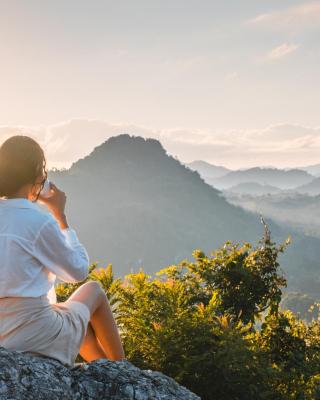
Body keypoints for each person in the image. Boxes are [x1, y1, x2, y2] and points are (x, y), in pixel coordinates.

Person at [0, 135, 125, 367]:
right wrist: (60, 217)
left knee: (69, 314)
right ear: (38, 173)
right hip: (31, 334)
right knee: (94, 291)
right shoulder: (38, 222)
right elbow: (77, 272)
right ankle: (123, 372)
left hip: (3, 335)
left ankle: (106, 370)